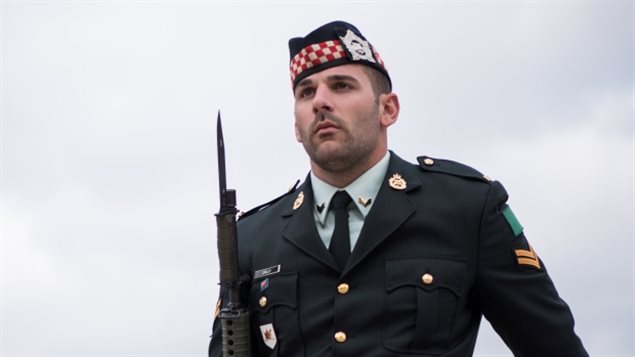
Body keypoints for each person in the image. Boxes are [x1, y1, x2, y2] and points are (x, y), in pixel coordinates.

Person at [209, 20, 588, 356]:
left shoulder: (467, 209)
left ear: (387, 109)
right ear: (296, 126)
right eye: (306, 93)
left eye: (341, 86)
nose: (320, 102)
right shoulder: (252, 239)